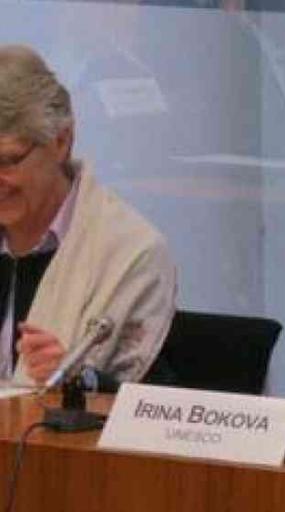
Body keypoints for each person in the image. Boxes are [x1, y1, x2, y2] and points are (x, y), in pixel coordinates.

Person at [0, 45, 176, 389]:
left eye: (8, 160)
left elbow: (141, 406)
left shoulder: (131, 252)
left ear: (61, 141)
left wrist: (81, 379)